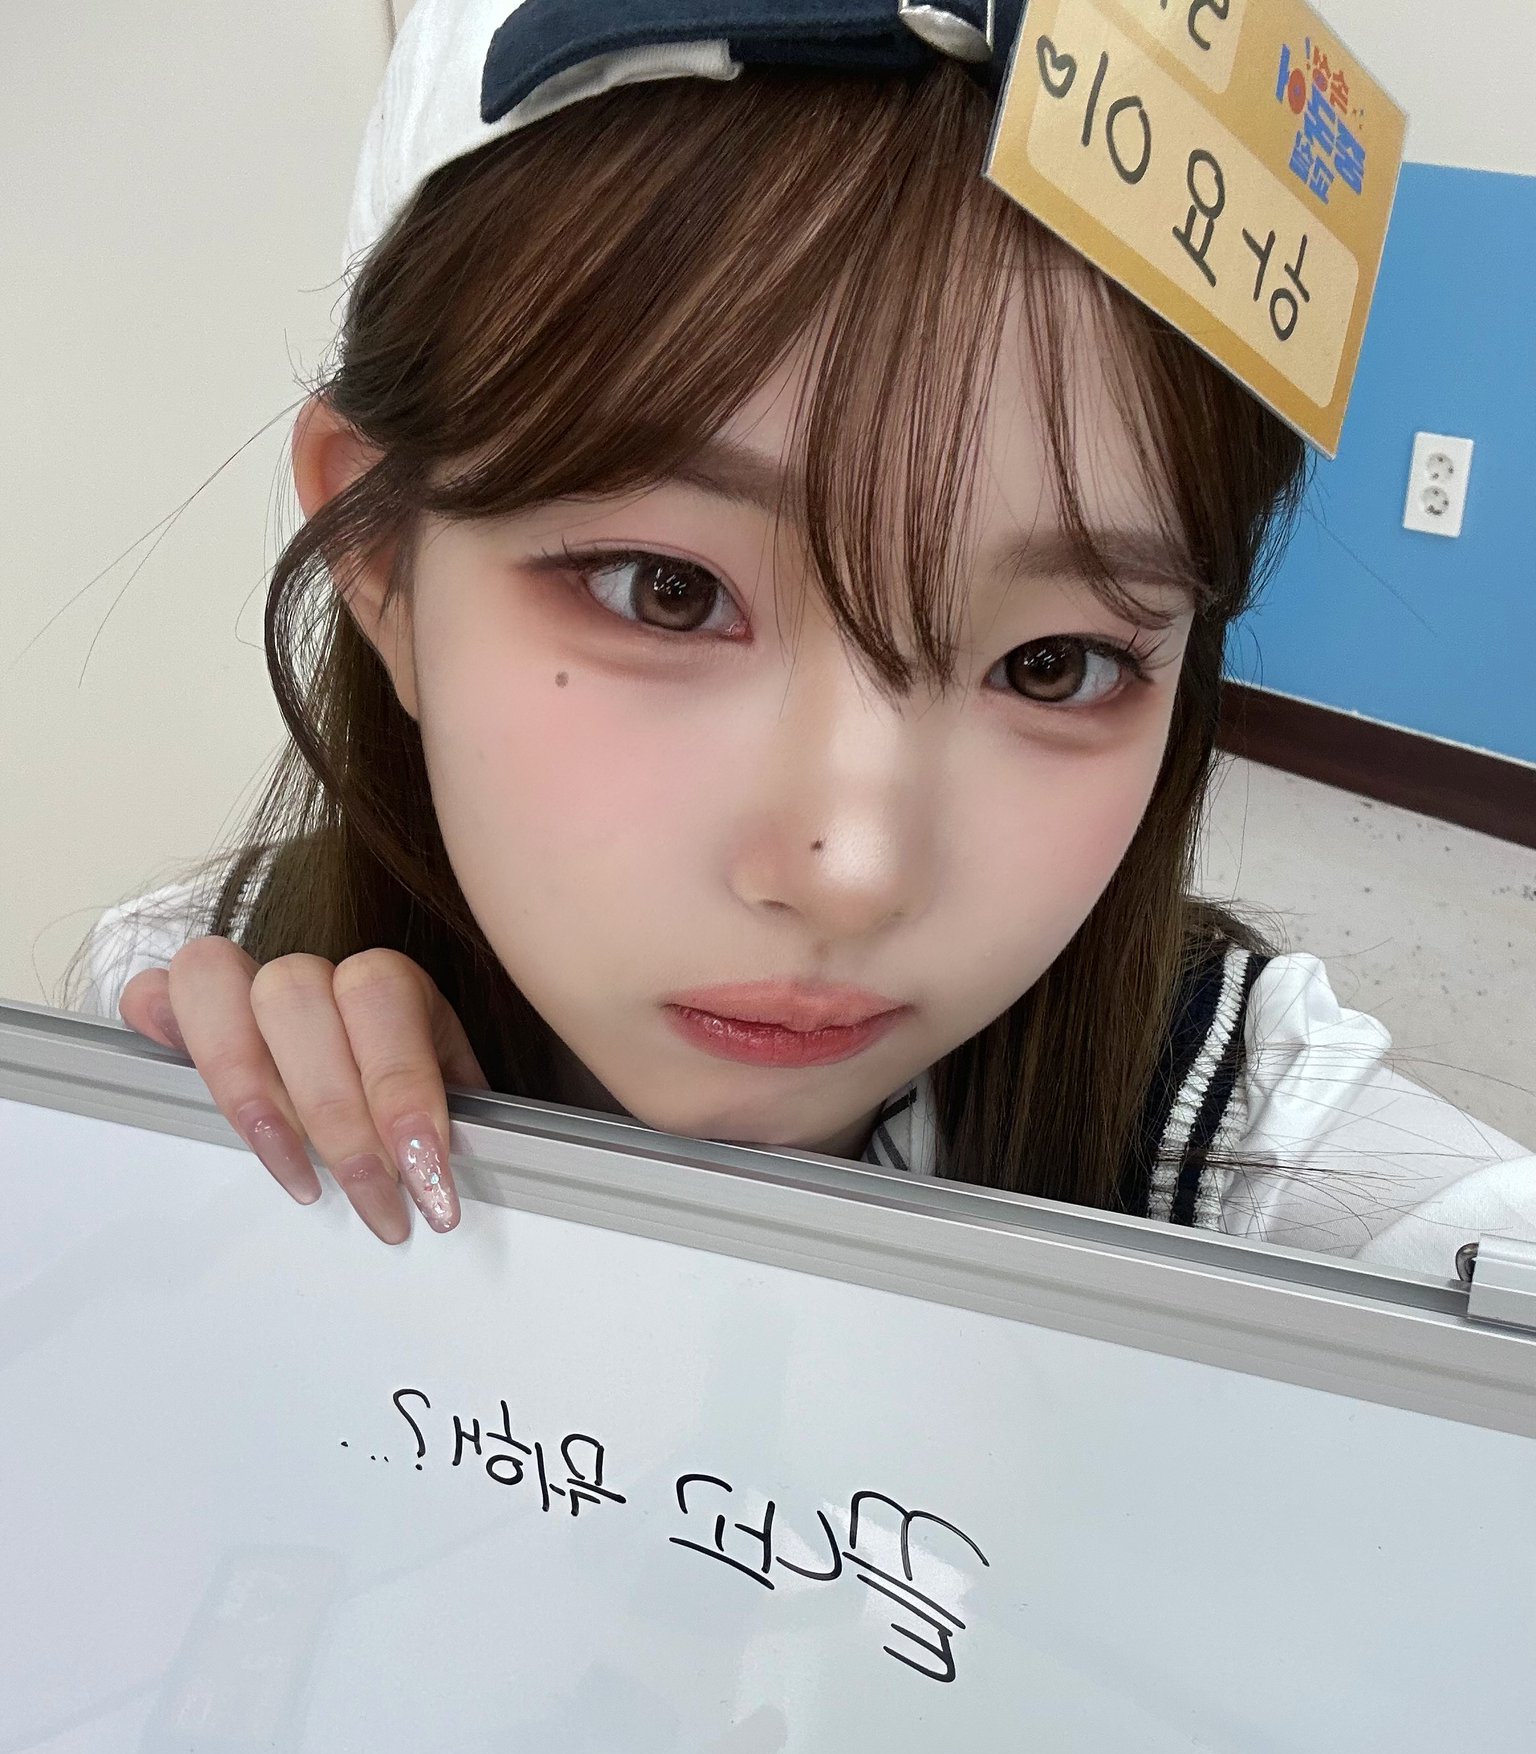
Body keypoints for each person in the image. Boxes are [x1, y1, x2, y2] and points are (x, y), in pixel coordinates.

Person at [72, 0, 1534, 1280]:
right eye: (665, 590)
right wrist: (178, 1218)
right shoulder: (175, 1019)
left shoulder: (1245, 1148)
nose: (851, 873)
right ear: (382, 558)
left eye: (1056, 662)